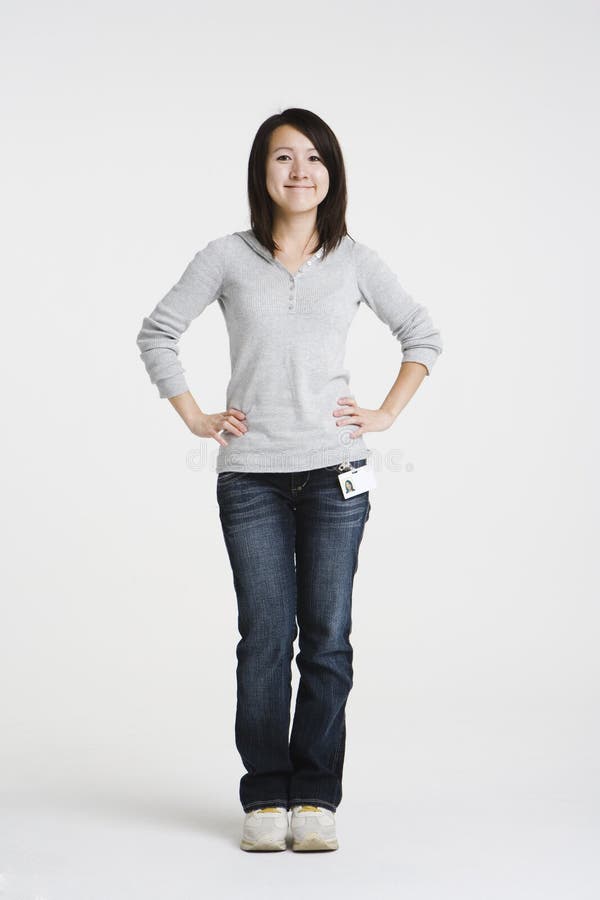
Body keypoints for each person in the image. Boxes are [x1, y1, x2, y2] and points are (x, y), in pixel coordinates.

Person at [136, 107, 443, 852]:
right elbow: (158, 332)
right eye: (283, 158)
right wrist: (195, 417)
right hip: (252, 479)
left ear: (331, 173)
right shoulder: (227, 255)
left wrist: (385, 414)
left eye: (313, 158)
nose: (300, 171)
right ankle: (265, 797)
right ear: (262, 172)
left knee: (329, 639)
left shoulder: (356, 260)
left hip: (337, 470)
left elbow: (422, 336)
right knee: (266, 639)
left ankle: (316, 796)